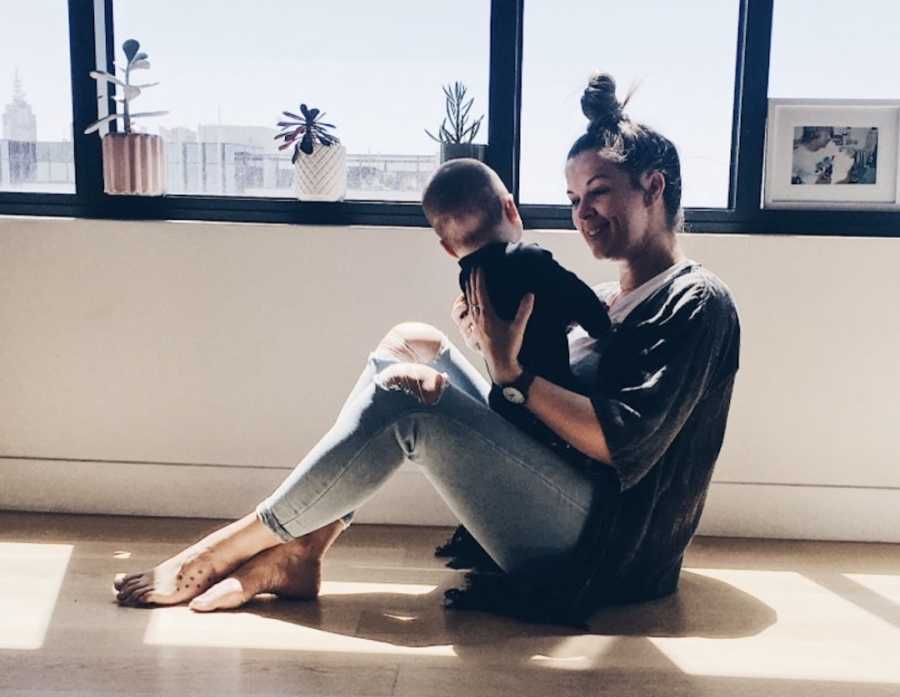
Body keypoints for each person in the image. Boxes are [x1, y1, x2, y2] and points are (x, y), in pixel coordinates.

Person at [113, 70, 740, 626]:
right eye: (574, 198)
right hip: (567, 498)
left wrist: (509, 372)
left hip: (606, 548)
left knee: (408, 401)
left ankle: (235, 544)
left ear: (654, 186)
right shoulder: (603, 297)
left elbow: (622, 441)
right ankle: (303, 551)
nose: (582, 213)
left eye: (597, 192)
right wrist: (491, 355)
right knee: (413, 345)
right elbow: (533, 408)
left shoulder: (697, 302)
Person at [422, 157, 610, 449]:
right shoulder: (531, 260)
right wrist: (600, 320)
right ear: (511, 208)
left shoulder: (470, 279)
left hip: (506, 409)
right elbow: (582, 302)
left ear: (448, 248)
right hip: (552, 409)